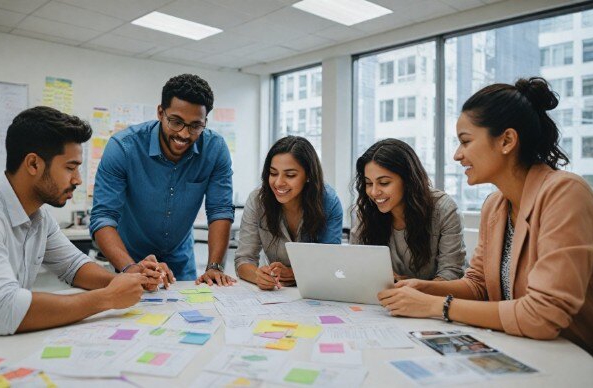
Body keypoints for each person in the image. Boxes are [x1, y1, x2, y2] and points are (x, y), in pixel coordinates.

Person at [377, 77, 593, 355]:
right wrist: (425, 288)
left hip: (571, 356)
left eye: (465, 142)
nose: (457, 155)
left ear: (506, 140)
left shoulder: (565, 193)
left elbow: (544, 314)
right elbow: (479, 285)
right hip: (519, 346)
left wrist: (435, 306)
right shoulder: (495, 205)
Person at [0, 106, 152, 358]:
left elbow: (74, 266)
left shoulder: (38, 215)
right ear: (33, 164)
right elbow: (5, 310)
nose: (78, 179)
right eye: (70, 168)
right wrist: (107, 298)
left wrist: (126, 279)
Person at [90, 74, 235, 286]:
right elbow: (103, 217)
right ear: (160, 112)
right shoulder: (123, 148)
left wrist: (214, 266)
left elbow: (220, 210)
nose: (184, 134)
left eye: (195, 126)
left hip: (181, 257)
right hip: (130, 257)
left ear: (205, 121)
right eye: (176, 122)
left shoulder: (215, 149)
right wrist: (131, 269)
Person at [234, 136, 343, 290]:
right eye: (273, 173)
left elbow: (332, 264)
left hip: (316, 292)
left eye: (290, 175)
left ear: (308, 176)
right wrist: (258, 275)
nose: (278, 182)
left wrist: (295, 274)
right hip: (277, 294)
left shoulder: (328, 202)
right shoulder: (258, 200)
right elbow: (244, 259)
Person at [350, 139, 465, 281]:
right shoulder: (367, 211)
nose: (374, 192)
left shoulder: (443, 209)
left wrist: (410, 287)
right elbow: (355, 265)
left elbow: (451, 274)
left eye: (384, 183)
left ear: (408, 180)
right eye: (368, 183)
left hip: (432, 300)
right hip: (385, 299)